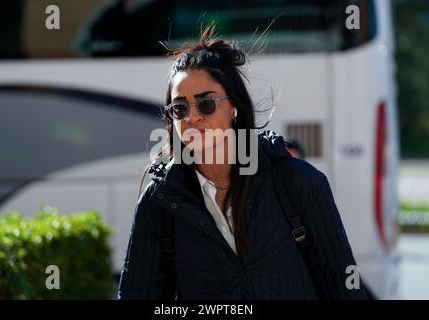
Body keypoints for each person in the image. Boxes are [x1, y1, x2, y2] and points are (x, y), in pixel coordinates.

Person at [118, 24, 368, 300]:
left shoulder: (297, 181)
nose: (192, 117)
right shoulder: (159, 201)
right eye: (180, 108)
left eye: (206, 104)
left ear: (234, 108)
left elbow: (344, 289)